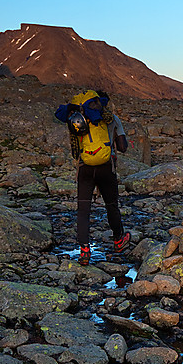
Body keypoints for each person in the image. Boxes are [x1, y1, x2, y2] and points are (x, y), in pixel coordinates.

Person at [55, 89, 130, 265]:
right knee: (111, 205)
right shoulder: (111, 120)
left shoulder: (78, 119)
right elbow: (123, 146)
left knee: (83, 210)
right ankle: (119, 240)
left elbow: (75, 148)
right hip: (106, 167)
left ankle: (84, 251)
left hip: (85, 168)